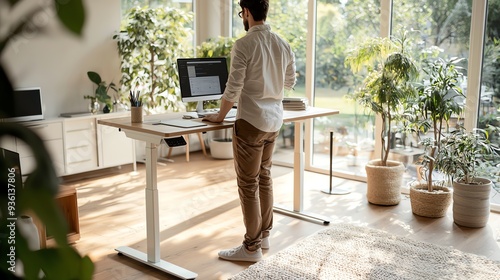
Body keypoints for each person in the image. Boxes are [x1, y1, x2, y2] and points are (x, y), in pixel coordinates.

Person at [202, 0, 296, 262]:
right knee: (264, 177)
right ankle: (264, 236)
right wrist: (271, 83)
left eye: (241, 13)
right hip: (274, 121)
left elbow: (233, 87)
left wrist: (220, 115)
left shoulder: (244, 44)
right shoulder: (283, 43)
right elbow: (290, 82)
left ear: (246, 12)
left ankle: (251, 247)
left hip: (251, 122)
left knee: (247, 183)